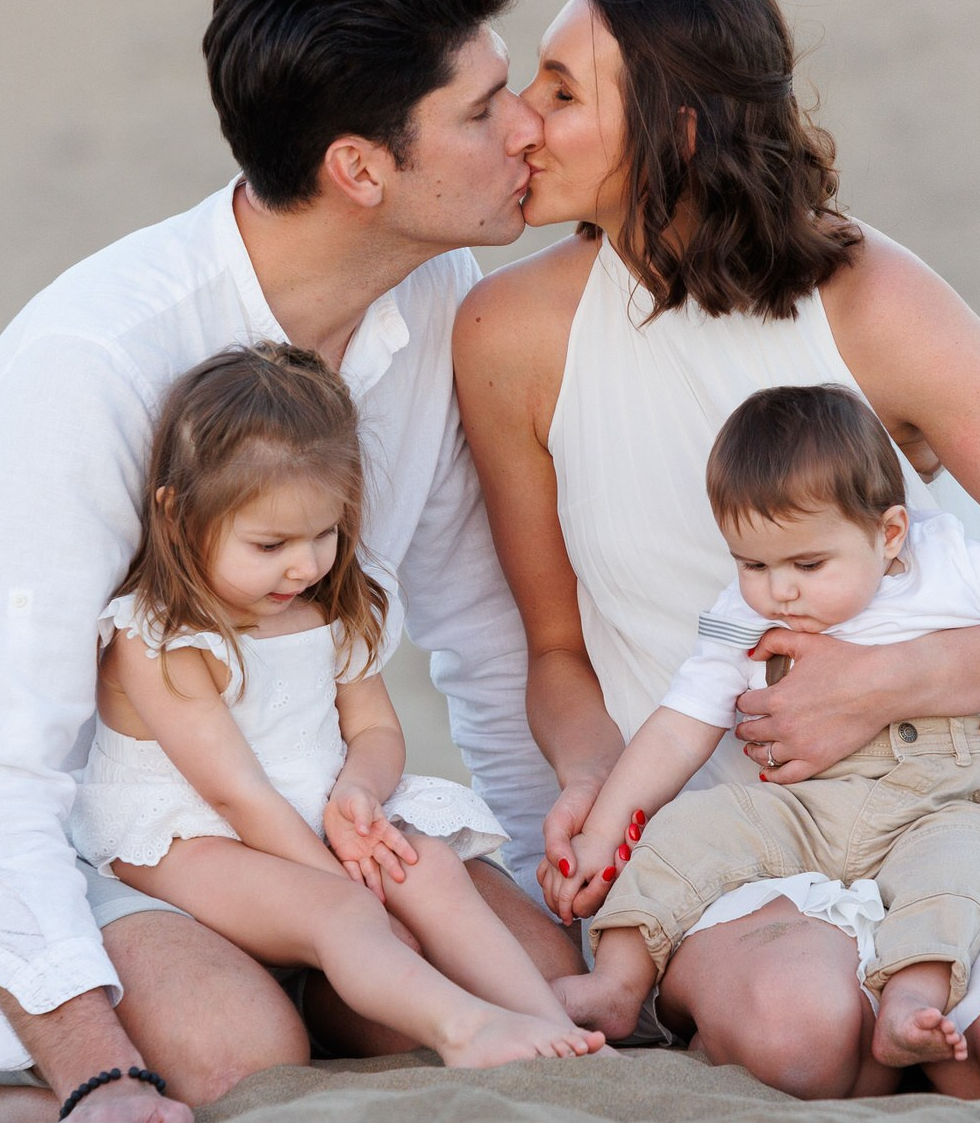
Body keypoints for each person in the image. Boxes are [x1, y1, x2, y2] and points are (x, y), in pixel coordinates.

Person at [0, 0, 578, 1123]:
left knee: (518, 962)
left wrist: (532, 891)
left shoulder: (431, 295)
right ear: (361, 169)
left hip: (275, 830)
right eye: (484, 111)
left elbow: (478, 632)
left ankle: (280, 971)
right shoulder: (95, 360)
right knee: (236, 1052)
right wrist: (97, 1074)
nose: (529, 124)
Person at [455, 0, 980, 1101]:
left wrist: (889, 681)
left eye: (562, 92)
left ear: (683, 130)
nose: (519, 120)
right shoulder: (508, 333)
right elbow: (557, 650)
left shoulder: (872, 300)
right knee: (801, 1031)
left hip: (968, 795)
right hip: (735, 818)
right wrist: (592, 775)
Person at [543, 383, 980, 1082]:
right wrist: (603, 829)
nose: (779, 591)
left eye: (807, 565)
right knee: (689, 831)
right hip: (803, 804)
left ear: (889, 534)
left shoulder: (954, 569)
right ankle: (618, 983)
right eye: (753, 565)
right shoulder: (742, 613)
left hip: (936, 805)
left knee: (957, 876)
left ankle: (910, 1003)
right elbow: (681, 727)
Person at [76, 342, 602, 1069]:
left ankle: (554, 1029)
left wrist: (358, 790)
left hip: (309, 812)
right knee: (349, 909)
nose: (304, 564)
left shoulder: (327, 607)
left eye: (324, 534)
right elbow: (234, 792)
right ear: (175, 516)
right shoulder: (161, 636)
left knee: (431, 870)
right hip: (187, 833)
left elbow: (377, 729)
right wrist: (348, 883)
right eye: (270, 544)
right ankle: (464, 1029)